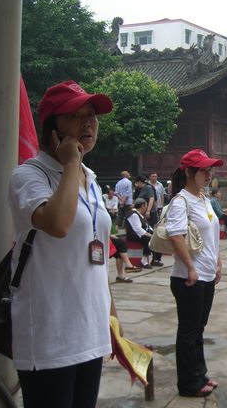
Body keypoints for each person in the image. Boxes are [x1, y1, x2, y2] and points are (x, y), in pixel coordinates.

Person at [8, 80, 119, 408]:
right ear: (52, 128)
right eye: (75, 115)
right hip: (50, 337)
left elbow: (94, 250)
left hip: (89, 329)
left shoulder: (91, 179)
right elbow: (57, 224)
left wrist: (110, 316)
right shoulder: (29, 176)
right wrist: (70, 162)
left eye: (93, 116)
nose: (88, 123)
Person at [166, 149, 223, 398]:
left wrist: (218, 262)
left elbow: (212, 234)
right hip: (188, 277)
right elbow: (175, 235)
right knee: (189, 331)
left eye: (210, 169)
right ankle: (188, 383)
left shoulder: (203, 198)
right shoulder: (181, 201)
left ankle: (200, 373)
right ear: (189, 172)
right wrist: (190, 266)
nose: (209, 174)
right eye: (204, 170)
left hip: (207, 273)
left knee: (199, 328)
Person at [134, 175, 162, 266]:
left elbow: (152, 199)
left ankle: (156, 258)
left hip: (150, 214)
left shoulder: (148, 188)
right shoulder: (142, 189)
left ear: (139, 182)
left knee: (152, 234)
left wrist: (148, 211)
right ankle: (151, 258)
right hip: (145, 214)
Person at [125, 198, 154, 269]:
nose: (146, 208)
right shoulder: (133, 215)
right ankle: (143, 261)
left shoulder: (139, 214)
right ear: (143, 206)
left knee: (156, 238)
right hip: (133, 235)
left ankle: (156, 259)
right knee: (148, 238)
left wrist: (154, 232)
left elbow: (147, 226)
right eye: (146, 205)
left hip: (139, 234)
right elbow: (138, 229)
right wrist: (150, 235)